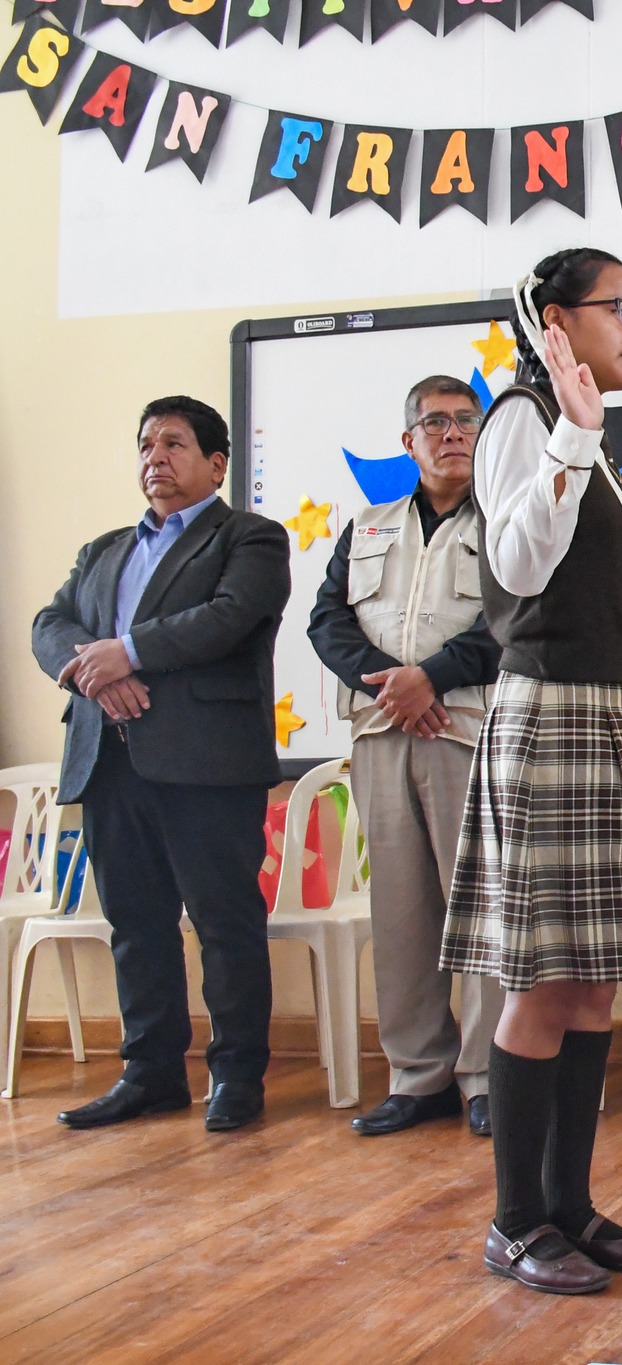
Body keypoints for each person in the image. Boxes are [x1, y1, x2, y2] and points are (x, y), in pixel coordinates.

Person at [439, 248, 622, 1295]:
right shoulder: (520, 421)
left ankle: (569, 1209)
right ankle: (513, 1222)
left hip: (613, 714)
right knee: (542, 984)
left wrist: (588, 438)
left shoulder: (594, 439)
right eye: (617, 309)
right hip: (548, 716)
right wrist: (573, 434)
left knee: (592, 991)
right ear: (555, 320)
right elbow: (517, 566)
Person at [31, 396, 290, 1133]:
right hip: (109, 761)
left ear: (215, 463)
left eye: (174, 443)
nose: (155, 456)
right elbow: (49, 623)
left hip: (207, 764)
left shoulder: (251, 538)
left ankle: (236, 1074)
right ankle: (149, 1073)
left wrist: (130, 651)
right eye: (146, 443)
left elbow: (230, 615)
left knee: (224, 921)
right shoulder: (103, 549)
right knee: (135, 923)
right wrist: (96, 671)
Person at [308, 375, 505, 1138]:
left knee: (479, 908)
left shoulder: (504, 526)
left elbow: (512, 623)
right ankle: (417, 1075)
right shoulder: (367, 525)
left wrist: (434, 678)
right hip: (383, 734)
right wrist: (392, 687)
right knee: (400, 911)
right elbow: (327, 619)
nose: (451, 433)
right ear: (408, 440)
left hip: (466, 732)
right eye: (435, 423)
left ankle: (488, 1076)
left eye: (465, 421)